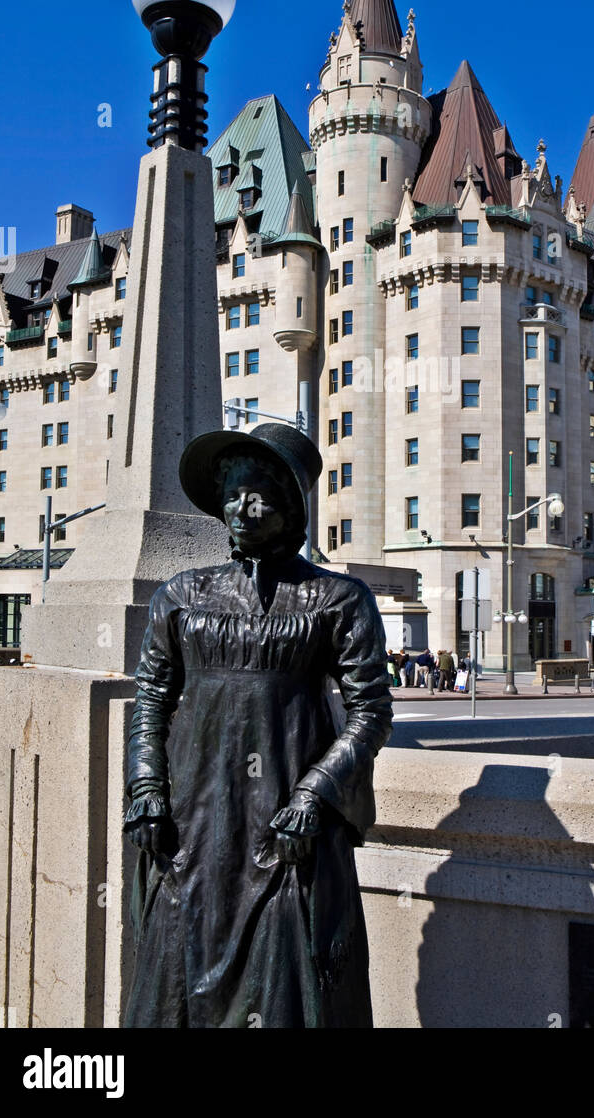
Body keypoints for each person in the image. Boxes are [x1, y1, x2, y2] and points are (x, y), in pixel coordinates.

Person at [122, 422, 392, 1029]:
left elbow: (370, 709)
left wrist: (316, 795)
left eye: (260, 495)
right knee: (174, 984)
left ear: (292, 507)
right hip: (193, 824)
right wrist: (145, 790)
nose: (242, 508)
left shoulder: (338, 599)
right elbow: (152, 702)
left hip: (285, 827)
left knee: (285, 994)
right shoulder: (182, 595)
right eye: (234, 493)